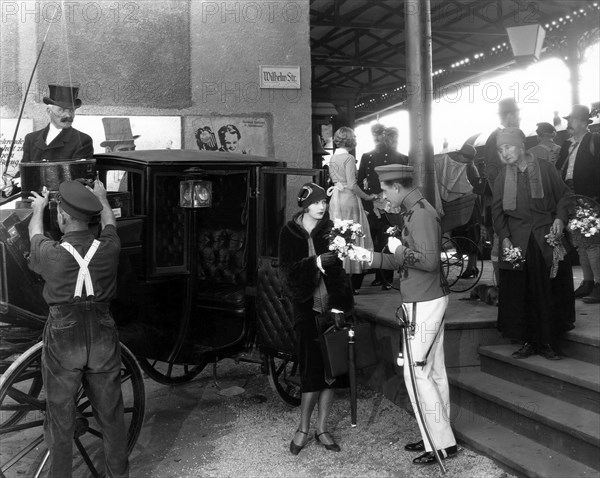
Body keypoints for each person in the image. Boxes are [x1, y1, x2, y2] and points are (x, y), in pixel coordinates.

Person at [349, 164, 457, 467]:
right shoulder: (416, 210)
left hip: (424, 300)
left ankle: (440, 444)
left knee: (417, 371)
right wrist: (370, 257)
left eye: (384, 189)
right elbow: (406, 262)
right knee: (432, 371)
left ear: (397, 187)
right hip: (425, 297)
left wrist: (397, 251)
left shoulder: (420, 213)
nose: (383, 195)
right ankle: (439, 437)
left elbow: (428, 261)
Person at [27, 179, 129, 477]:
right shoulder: (109, 248)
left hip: (64, 337)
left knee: (60, 418)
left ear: (63, 217)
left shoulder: (51, 254)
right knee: (111, 416)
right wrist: (102, 197)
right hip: (102, 333)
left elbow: (35, 235)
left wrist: (38, 209)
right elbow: (110, 224)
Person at [278, 182, 354, 456]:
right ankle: (302, 428)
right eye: (317, 202)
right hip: (305, 308)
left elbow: (340, 273)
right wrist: (316, 263)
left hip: (331, 309)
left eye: (324, 202)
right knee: (310, 370)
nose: (322, 206)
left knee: (331, 371)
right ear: (304, 204)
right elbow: (285, 274)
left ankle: (322, 428)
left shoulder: (331, 229)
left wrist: (340, 307)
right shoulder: (289, 233)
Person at [492, 128, 575, 360]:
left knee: (546, 291)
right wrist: (505, 238)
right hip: (518, 242)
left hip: (545, 239)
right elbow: (497, 213)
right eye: (500, 150)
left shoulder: (545, 169)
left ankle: (548, 341)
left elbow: (565, 196)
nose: (504, 153)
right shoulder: (502, 177)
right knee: (522, 293)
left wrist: (560, 218)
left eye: (508, 147)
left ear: (520, 145)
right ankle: (528, 341)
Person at [555, 105, 600, 303]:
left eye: (572, 120)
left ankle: (598, 283)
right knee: (580, 242)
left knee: (592, 241)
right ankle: (588, 281)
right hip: (571, 197)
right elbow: (560, 169)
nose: (569, 124)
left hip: (589, 197)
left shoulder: (594, 140)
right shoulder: (568, 145)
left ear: (583, 122)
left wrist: (597, 196)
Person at [357, 124, 408, 290]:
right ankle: (386, 278)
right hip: (393, 203)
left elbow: (359, 182)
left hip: (373, 204)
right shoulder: (401, 158)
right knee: (389, 239)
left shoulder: (367, 156)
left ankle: (381, 276)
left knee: (376, 240)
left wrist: (367, 200)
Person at [328, 126, 376, 294]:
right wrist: (367, 197)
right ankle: (352, 280)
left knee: (340, 236)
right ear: (350, 140)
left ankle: (342, 276)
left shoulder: (333, 158)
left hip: (336, 198)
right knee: (354, 234)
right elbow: (352, 185)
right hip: (349, 198)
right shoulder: (348, 158)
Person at [484, 98, 520, 284]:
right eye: (517, 114)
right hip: (504, 202)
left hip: (513, 201)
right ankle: (502, 287)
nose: (520, 118)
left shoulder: (509, 135)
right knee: (501, 240)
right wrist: (503, 199)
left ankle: (510, 284)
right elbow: (491, 171)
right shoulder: (496, 137)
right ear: (510, 115)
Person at [438, 143, 482, 278]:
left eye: (460, 155)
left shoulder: (468, 169)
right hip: (462, 205)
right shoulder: (466, 168)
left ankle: (471, 267)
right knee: (465, 235)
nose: (457, 157)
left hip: (468, 206)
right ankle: (471, 267)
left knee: (470, 236)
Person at [22, 84, 94, 164]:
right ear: (49, 111)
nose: (68, 115)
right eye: (62, 110)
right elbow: (24, 171)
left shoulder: (82, 141)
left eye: (71, 110)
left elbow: (77, 173)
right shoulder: (31, 139)